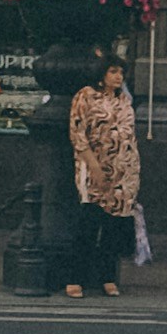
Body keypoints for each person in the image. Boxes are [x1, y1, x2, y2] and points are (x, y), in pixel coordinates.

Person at [62, 56, 138, 298]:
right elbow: (77, 133)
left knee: (113, 227)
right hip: (94, 166)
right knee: (88, 223)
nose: (118, 76)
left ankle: (107, 276)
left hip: (123, 171)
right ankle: (75, 277)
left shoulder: (124, 100)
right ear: (101, 73)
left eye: (121, 72)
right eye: (113, 71)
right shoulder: (85, 96)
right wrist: (93, 165)